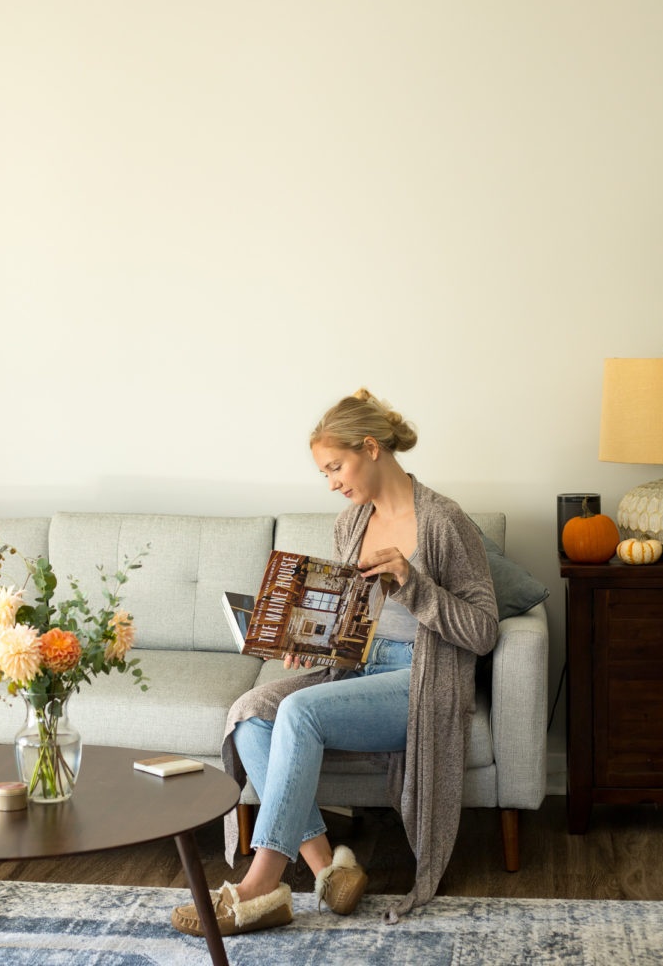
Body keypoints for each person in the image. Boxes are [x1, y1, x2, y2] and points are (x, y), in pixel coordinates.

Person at [172, 388, 499, 937]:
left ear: (370, 447)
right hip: (357, 671)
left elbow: (484, 632)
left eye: (335, 467)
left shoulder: (444, 521)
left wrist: (413, 585)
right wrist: (310, 640)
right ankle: (328, 871)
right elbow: (351, 622)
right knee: (251, 713)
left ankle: (259, 887)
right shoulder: (351, 523)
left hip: (419, 677)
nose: (332, 483)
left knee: (299, 712)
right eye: (325, 472)